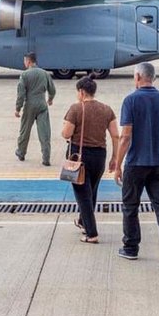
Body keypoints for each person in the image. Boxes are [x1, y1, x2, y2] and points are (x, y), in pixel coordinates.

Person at [114, 62, 159, 270]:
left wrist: (117, 165)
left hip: (136, 163)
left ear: (137, 77)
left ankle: (131, 247)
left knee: (130, 206)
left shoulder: (130, 101)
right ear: (153, 78)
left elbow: (125, 136)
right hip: (158, 162)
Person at [60, 74, 120, 243]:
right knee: (91, 191)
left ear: (81, 92)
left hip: (80, 158)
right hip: (100, 156)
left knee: (82, 195)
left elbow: (66, 133)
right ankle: (82, 221)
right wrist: (115, 157)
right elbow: (116, 135)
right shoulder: (107, 109)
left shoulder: (76, 109)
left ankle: (91, 233)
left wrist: (64, 130)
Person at [15, 52, 56, 166]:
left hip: (30, 106)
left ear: (28, 61)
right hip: (42, 104)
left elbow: (21, 94)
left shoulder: (25, 75)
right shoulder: (44, 73)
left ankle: (21, 152)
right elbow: (52, 89)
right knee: (44, 132)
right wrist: (50, 99)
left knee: (25, 130)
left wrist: (18, 108)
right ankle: (46, 158)